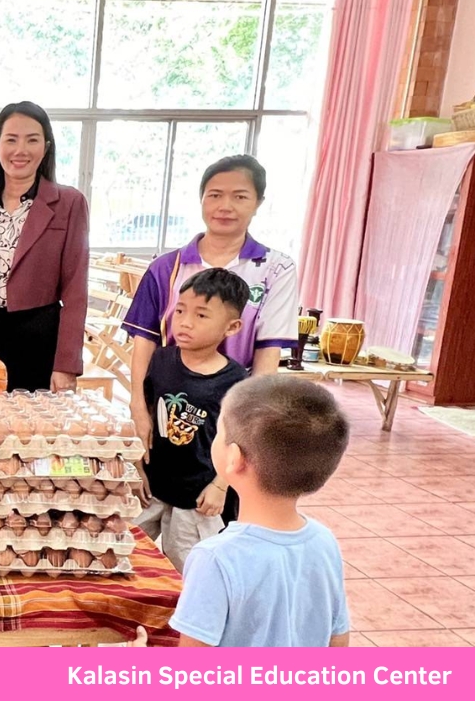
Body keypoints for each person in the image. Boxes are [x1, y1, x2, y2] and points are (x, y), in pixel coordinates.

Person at [123, 154, 299, 524]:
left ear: (258, 203)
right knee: (151, 499)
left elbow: (267, 358)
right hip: (168, 402)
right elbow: (144, 342)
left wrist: (246, 430)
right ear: (201, 198)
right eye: (214, 194)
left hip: (226, 411)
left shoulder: (275, 269)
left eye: (240, 196)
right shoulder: (167, 267)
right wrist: (138, 408)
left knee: (209, 521)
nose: (225, 206)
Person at [170, 376, 351, 647]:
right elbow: (338, 639)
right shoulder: (324, 542)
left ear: (235, 458)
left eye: (219, 432)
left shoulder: (215, 558)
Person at [0, 102, 90, 391]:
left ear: (46, 147)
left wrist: (66, 365)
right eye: (11, 139)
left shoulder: (69, 203)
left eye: (32, 140)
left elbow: (76, 290)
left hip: (38, 337)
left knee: (31, 431)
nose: (21, 150)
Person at [136, 268, 248, 572]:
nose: (185, 322)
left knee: (191, 568)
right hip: (152, 487)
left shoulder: (236, 381)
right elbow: (144, 416)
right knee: (127, 550)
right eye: (181, 310)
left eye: (201, 315)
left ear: (232, 326)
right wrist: (137, 468)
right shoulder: (160, 361)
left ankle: (192, 618)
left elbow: (240, 441)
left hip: (199, 498)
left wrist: (220, 486)